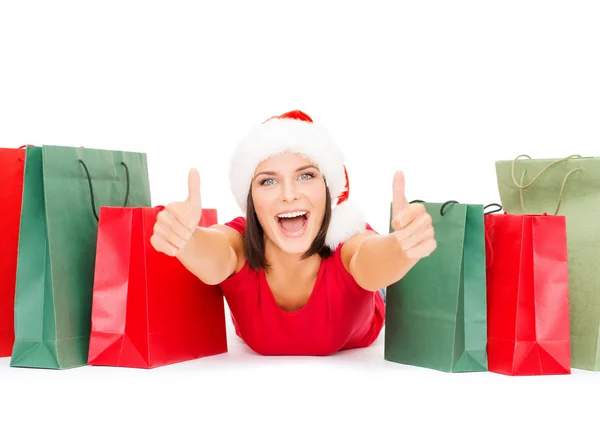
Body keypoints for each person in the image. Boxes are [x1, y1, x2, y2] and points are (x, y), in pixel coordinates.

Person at [150, 110, 436, 356]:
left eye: (305, 176)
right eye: (268, 181)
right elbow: (216, 256)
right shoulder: (237, 240)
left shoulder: (347, 242)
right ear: (251, 200)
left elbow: (369, 261)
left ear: (326, 189)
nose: (289, 194)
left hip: (373, 298)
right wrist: (186, 239)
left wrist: (401, 247)